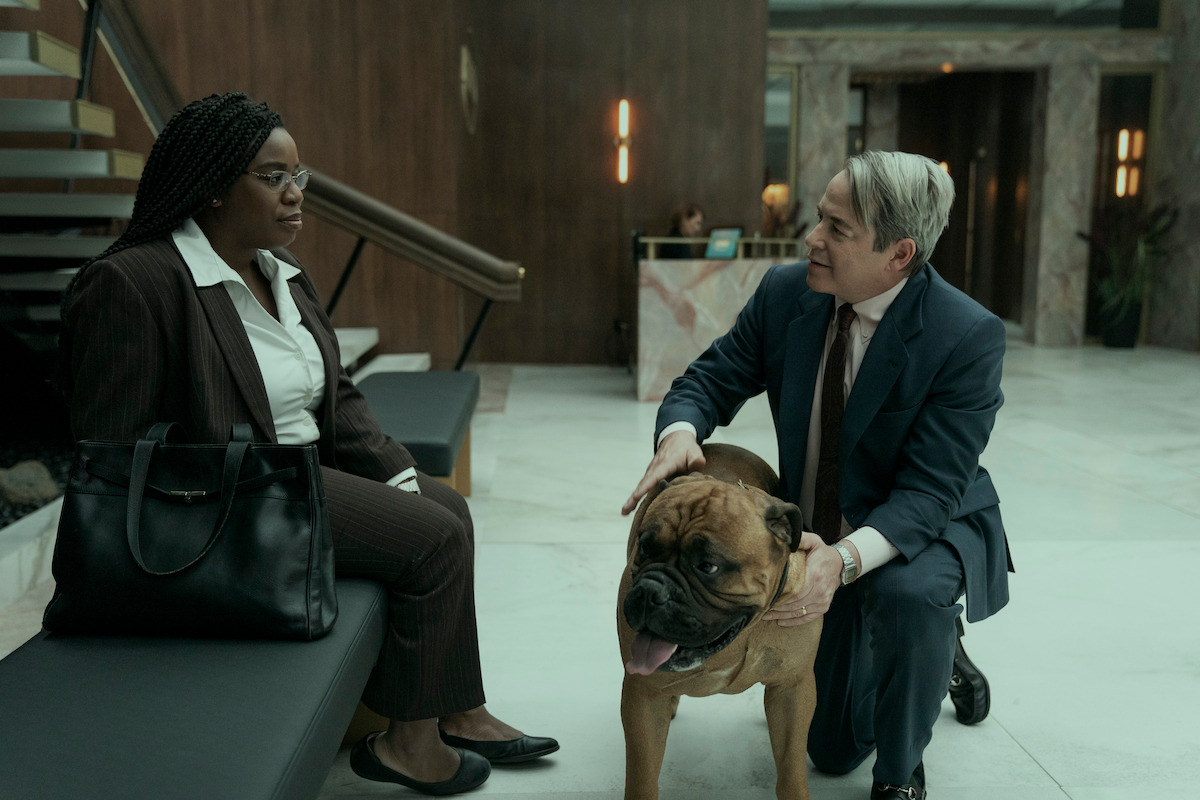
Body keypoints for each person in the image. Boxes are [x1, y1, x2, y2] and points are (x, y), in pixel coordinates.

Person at [58, 92, 557, 796]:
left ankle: (458, 710)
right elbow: (112, 455)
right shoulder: (135, 281)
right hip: (227, 504)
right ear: (212, 187)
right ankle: (410, 748)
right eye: (272, 178)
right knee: (434, 539)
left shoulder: (280, 272)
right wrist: (242, 485)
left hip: (298, 478)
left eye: (298, 176)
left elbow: (337, 398)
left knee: (448, 508)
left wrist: (397, 476)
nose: (295, 194)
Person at [622, 151, 1011, 800]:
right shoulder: (786, 293)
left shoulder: (966, 335)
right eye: (819, 218)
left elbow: (929, 491)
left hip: (919, 524)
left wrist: (845, 560)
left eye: (837, 228)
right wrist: (680, 434)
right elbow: (710, 379)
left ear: (899, 254)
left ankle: (902, 763)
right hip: (815, 528)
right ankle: (928, 647)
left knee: (910, 597)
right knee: (831, 748)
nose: (812, 238)